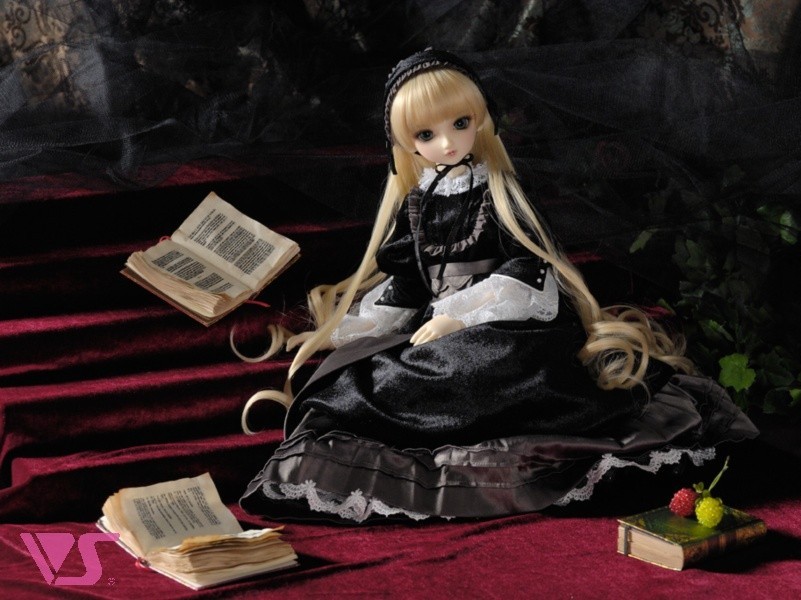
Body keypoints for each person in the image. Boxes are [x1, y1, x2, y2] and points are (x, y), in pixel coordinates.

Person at [238, 49, 757, 522]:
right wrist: (357, 328)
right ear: (405, 143)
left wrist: (460, 314)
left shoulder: (498, 192)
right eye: (426, 135)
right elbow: (408, 284)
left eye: (460, 124)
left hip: (505, 324)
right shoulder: (416, 202)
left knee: (473, 365)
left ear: (480, 119)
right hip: (439, 327)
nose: (447, 143)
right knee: (371, 376)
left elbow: (528, 269)